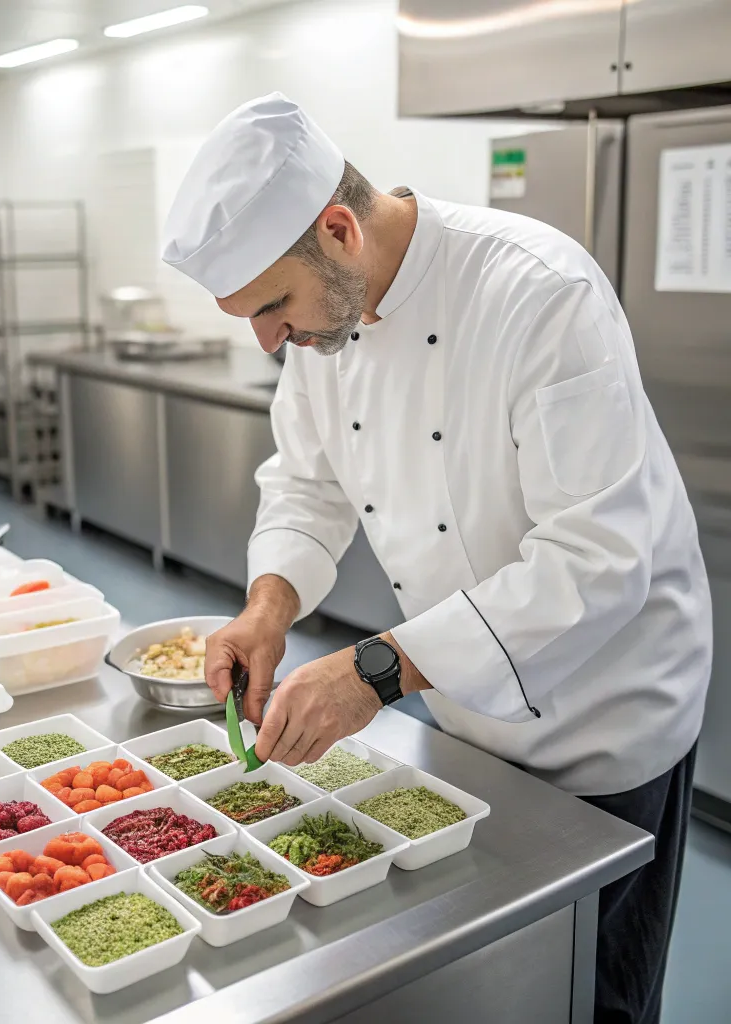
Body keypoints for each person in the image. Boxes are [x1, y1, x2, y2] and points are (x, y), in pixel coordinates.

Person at [161, 93, 712, 1024]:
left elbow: (599, 556)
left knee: (594, 993)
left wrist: (377, 670)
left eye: (270, 307)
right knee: (497, 984)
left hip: (607, 716)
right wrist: (267, 608)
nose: (265, 339)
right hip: (465, 713)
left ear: (337, 230)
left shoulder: (539, 291)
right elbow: (309, 484)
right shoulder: (324, 323)